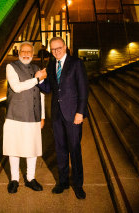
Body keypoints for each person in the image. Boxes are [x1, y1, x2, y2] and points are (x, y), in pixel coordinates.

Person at [38, 36, 89, 200]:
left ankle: (78, 185)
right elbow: (49, 88)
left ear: (65, 47)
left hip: (73, 114)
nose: (56, 51)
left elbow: (83, 90)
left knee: (74, 150)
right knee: (60, 149)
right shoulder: (52, 64)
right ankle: (63, 182)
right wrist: (40, 80)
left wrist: (80, 112)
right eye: (53, 49)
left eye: (59, 48)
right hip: (57, 115)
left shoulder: (76, 63)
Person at [3, 42, 48, 194]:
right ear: (19, 52)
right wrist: (36, 79)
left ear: (33, 53)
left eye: (29, 51)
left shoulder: (37, 69)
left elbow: (41, 94)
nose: (26, 53)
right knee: (13, 149)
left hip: (33, 115)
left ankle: (30, 179)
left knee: (32, 149)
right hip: (15, 115)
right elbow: (16, 87)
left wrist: (42, 116)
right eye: (23, 51)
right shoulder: (11, 67)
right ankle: (14, 179)